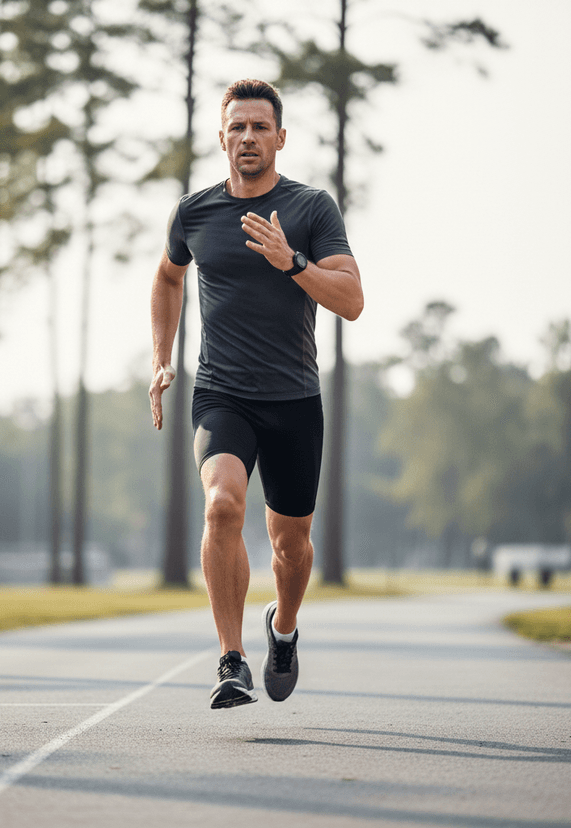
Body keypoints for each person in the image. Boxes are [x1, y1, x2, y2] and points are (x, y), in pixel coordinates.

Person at [149, 79, 363, 709]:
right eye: (236, 127)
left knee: (290, 547)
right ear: (221, 137)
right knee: (221, 507)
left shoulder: (311, 209)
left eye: (259, 127)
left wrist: (293, 262)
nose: (247, 137)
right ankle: (230, 659)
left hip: (294, 398)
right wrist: (161, 359)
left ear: (280, 137)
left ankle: (284, 629)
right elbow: (167, 277)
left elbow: (352, 301)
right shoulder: (195, 212)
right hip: (223, 393)